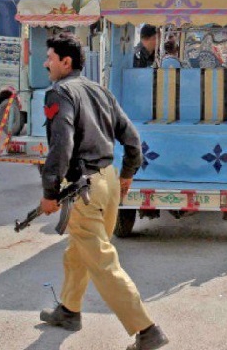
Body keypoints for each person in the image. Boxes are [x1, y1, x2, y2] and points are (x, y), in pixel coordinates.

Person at [38, 34, 169, 350]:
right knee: (79, 250)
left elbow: (62, 145)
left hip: (83, 187)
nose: (46, 63)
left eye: (50, 58)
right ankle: (69, 310)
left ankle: (147, 330)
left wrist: (50, 191)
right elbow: (133, 139)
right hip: (107, 182)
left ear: (66, 62)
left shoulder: (59, 94)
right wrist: (125, 176)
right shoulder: (99, 91)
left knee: (102, 260)